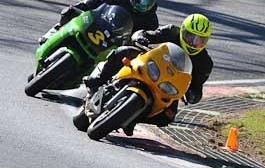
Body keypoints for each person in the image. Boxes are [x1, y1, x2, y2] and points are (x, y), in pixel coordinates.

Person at [75, 13, 213, 134]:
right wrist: (141, 37)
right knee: (124, 51)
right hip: (150, 66)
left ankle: (132, 118)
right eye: (190, 37)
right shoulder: (171, 31)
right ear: (182, 31)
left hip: (167, 86)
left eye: (200, 40)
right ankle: (98, 80)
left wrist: (192, 95)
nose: (194, 43)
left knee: (167, 117)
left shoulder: (205, 63)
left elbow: (197, 88)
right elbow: (147, 34)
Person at [39, 0, 160, 44]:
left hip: (116, 43)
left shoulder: (152, 21)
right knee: (70, 12)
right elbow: (99, 1)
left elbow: (148, 39)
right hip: (100, 25)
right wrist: (81, 7)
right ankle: (54, 31)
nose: (143, 2)